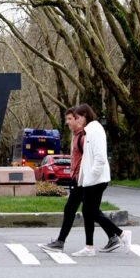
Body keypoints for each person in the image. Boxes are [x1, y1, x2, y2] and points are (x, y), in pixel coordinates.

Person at [71, 104, 132, 257]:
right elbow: (88, 158)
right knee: (89, 211)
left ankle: (120, 234)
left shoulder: (95, 130)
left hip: (96, 180)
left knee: (89, 211)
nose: (77, 121)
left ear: (85, 115)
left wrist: (90, 177)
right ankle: (94, 245)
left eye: (78, 118)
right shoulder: (90, 130)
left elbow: (100, 159)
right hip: (93, 179)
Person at [38, 108, 86, 252]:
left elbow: (89, 159)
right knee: (77, 210)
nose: (67, 122)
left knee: (88, 211)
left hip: (81, 180)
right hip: (77, 179)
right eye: (66, 119)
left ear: (78, 119)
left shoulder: (83, 137)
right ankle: (116, 235)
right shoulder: (76, 136)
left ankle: (117, 234)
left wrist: (80, 176)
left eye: (70, 119)